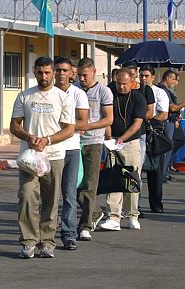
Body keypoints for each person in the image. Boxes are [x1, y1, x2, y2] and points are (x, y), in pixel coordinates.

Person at [10, 56, 75, 259]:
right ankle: (29, 241)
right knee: (27, 196)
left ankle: (47, 242)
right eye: (40, 72)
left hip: (54, 156)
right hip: (29, 158)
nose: (44, 76)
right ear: (34, 71)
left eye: (47, 72)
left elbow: (69, 129)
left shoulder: (63, 98)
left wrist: (47, 139)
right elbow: (14, 125)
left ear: (54, 72)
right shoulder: (25, 96)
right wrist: (28, 137)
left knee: (51, 200)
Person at [99, 68, 146, 231]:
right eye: (119, 83)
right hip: (112, 142)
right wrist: (109, 135)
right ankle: (113, 217)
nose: (122, 87)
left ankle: (132, 215)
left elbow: (137, 123)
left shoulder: (138, 98)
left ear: (132, 82)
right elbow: (105, 117)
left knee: (132, 179)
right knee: (114, 179)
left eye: (125, 84)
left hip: (130, 143)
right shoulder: (110, 94)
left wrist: (123, 138)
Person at [75, 58, 113, 241]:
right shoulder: (73, 89)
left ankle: (85, 226)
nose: (82, 78)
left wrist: (88, 127)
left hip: (93, 142)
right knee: (72, 185)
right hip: (73, 142)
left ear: (94, 71)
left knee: (89, 185)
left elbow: (108, 119)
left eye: (85, 75)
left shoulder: (103, 91)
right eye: (79, 75)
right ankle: (95, 212)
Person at [54, 57, 89, 250]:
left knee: (69, 195)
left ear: (71, 73)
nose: (61, 73)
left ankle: (69, 234)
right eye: (57, 70)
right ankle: (47, 232)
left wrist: (64, 127)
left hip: (71, 149)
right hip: (50, 150)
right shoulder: (45, 94)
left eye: (64, 70)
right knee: (49, 196)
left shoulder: (78, 94)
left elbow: (84, 122)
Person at [138, 64, 169, 213]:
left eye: (146, 76)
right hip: (138, 132)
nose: (144, 78)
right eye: (141, 75)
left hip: (154, 133)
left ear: (153, 77)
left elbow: (164, 114)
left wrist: (149, 119)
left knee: (155, 171)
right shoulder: (137, 91)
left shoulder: (159, 93)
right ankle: (134, 206)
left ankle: (156, 203)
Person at [158, 70, 185, 182]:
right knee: (167, 146)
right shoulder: (163, 90)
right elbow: (171, 108)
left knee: (174, 143)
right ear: (167, 78)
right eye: (173, 79)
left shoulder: (168, 91)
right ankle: (162, 173)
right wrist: (183, 105)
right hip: (166, 121)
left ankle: (165, 170)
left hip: (172, 119)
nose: (175, 82)